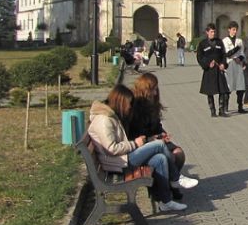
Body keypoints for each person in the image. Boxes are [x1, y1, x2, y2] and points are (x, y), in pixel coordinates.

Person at [87, 84, 186, 213]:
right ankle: (176, 178)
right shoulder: (104, 120)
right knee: (159, 145)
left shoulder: (110, 115)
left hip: (120, 159)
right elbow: (111, 148)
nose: (130, 107)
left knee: (160, 158)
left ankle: (165, 201)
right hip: (118, 163)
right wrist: (135, 144)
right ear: (120, 102)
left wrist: (147, 140)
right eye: (129, 104)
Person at [128, 72, 197, 199]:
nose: (155, 93)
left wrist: (162, 133)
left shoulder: (152, 103)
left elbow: (157, 124)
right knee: (167, 156)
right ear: (145, 89)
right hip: (143, 144)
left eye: (156, 89)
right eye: (153, 89)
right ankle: (173, 181)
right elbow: (136, 132)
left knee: (179, 153)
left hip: (154, 139)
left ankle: (172, 183)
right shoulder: (136, 106)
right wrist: (152, 138)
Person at [197, 23, 230, 117]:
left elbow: (224, 54)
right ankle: (212, 111)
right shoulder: (202, 44)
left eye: (214, 31)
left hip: (219, 70)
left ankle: (221, 110)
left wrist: (223, 64)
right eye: (211, 32)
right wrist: (207, 64)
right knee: (210, 92)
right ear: (207, 32)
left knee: (222, 91)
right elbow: (200, 57)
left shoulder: (219, 42)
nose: (213, 33)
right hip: (209, 71)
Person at [222, 21, 248, 114]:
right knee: (228, 86)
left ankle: (240, 106)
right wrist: (236, 49)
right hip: (229, 66)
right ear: (229, 30)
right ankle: (225, 106)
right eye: (233, 29)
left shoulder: (240, 41)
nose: (235, 31)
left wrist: (240, 58)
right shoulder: (225, 41)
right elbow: (227, 54)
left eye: (236, 30)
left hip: (238, 65)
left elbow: (242, 53)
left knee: (240, 86)